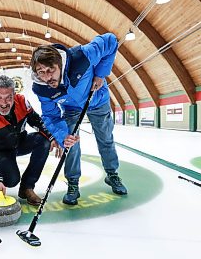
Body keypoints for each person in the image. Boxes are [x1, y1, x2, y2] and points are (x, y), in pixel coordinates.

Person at [30, 33, 128, 205]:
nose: (47, 77)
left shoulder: (82, 57)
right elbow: (50, 115)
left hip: (97, 100)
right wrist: (62, 136)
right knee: (70, 143)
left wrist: (100, 74)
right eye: (41, 72)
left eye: (50, 70)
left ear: (59, 64)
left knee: (105, 139)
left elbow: (111, 41)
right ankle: (73, 182)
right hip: (72, 108)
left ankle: (112, 174)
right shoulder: (41, 88)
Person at [0, 75, 60, 206]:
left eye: (8, 98)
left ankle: (27, 187)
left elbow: (37, 121)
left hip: (19, 143)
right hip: (0, 151)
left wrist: (53, 137)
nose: (4, 103)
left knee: (43, 141)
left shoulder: (22, 101)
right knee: (11, 180)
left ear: (14, 95)